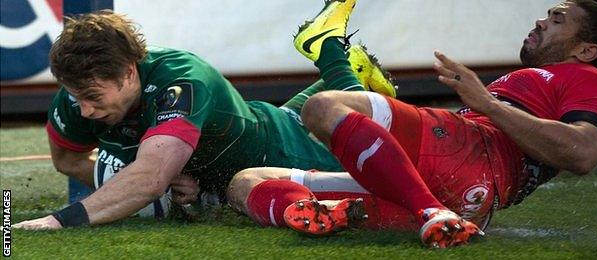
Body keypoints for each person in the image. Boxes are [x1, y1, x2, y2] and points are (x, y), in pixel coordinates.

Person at [226, 0, 597, 248]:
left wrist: (485, 102)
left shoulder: (588, 78)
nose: (540, 20)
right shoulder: (539, 80)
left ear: (587, 50)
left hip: (466, 150)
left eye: (557, 19)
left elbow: (584, 152)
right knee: (246, 182)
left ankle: (329, 48)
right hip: (469, 200)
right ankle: (331, 212)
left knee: (322, 108)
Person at [12, 8, 398, 229]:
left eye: (93, 97)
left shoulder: (181, 80)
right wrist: (123, 179)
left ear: (129, 72)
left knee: (390, 165)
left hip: (277, 155)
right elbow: (68, 160)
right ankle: (346, 70)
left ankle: (330, 50)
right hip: (254, 128)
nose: (84, 110)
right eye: (75, 96)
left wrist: (59, 222)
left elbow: (148, 180)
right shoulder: (80, 94)